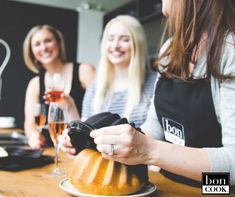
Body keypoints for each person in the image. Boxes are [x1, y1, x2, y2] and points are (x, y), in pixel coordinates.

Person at [73, 0, 235, 186]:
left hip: (216, 188)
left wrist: (148, 151)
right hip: (167, 182)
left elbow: (233, 169)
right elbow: (155, 128)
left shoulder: (230, 50)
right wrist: (107, 143)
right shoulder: (170, 49)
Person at [59, 15, 156, 154]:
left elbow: (156, 139)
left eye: (125, 39)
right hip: (101, 168)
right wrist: (71, 141)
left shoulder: (154, 83)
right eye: (110, 39)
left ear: (138, 43)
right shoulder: (96, 86)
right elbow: (85, 132)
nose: (115, 45)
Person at [23, 25, 95, 149]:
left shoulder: (84, 71)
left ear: (58, 43)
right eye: (37, 44)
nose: (44, 47)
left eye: (48, 41)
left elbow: (100, 112)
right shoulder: (35, 83)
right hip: (50, 151)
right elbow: (29, 125)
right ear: (32, 52)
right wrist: (33, 136)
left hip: (83, 150)